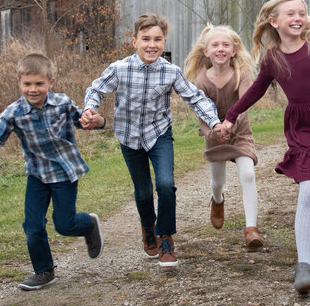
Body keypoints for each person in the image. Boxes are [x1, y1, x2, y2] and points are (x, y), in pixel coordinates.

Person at [218, 0, 310, 294]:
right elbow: (254, 91)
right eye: (290, 13)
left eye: (302, 13)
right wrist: (231, 116)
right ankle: (303, 264)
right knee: (309, 189)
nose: (298, 18)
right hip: (303, 128)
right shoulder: (272, 59)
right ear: (273, 21)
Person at [81, 13, 225, 268]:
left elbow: (196, 98)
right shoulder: (120, 68)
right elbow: (96, 89)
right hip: (128, 136)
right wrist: (90, 109)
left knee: (166, 184)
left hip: (159, 135)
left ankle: (165, 237)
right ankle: (148, 226)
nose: (152, 44)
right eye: (146, 39)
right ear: (134, 41)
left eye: (157, 39)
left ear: (164, 42)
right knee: (144, 190)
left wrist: (213, 122)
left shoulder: (171, 72)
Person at [0, 53, 106, 291]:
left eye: (39, 84)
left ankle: (88, 224)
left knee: (64, 225)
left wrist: (97, 121)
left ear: (50, 83)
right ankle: (44, 271)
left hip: (65, 172)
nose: (33, 89)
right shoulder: (13, 113)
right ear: (19, 83)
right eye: (27, 84)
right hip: (37, 174)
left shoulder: (63, 103)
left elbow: (83, 122)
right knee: (33, 226)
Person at [184, 24, 263, 251]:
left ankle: (251, 229)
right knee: (218, 181)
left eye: (225, 45)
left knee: (247, 174)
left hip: (239, 133)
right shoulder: (202, 79)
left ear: (234, 50)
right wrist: (211, 131)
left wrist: (231, 124)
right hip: (214, 135)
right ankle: (217, 200)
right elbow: (200, 109)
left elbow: (245, 103)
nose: (221, 49)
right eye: (215, 45)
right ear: (206, 51)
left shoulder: (241, 74)